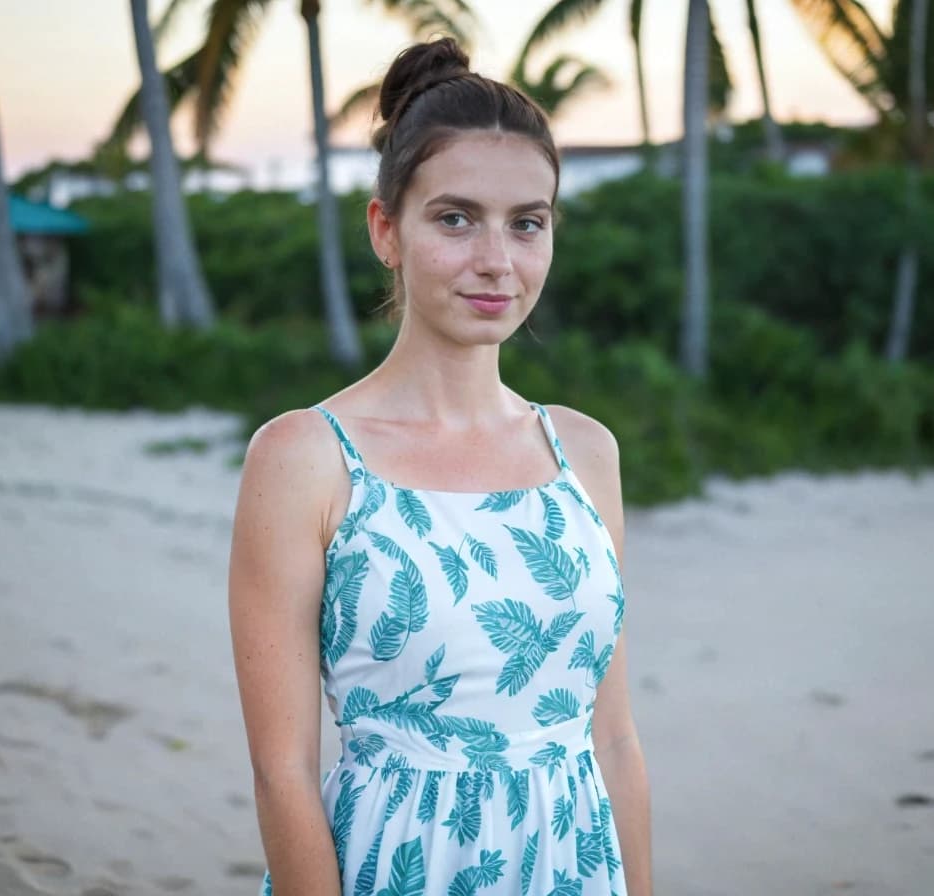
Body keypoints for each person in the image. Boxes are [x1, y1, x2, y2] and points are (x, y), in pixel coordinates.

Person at [228, 36, 651, 896]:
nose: (497, 260)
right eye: (455, 218)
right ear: (387, 230)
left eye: (527, 222)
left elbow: (612, 741)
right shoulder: (304, 458)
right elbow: (282, 774)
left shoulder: (585, 453)